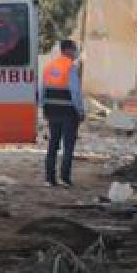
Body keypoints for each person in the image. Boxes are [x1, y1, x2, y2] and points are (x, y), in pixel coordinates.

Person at [42, 40, 85, 188]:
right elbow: (75, 92)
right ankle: (65, 178)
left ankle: (49, 178)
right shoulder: (70, 68)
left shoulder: (49, 67)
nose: (76, 53)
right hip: (68, 112)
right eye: (75, 50)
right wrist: (80, 111)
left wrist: (44, 109)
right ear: (68, 50)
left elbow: (42, 91)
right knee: (68, 145)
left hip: (52, 111)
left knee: (53, 144)